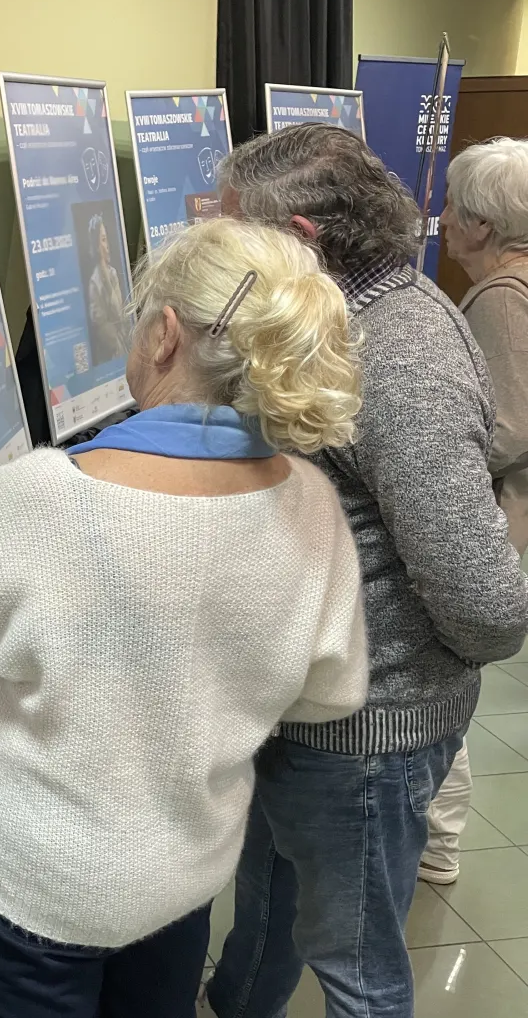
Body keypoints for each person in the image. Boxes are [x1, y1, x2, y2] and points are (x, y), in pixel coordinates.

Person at [0, 216, 370, 1018]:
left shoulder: (49, 494)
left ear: (166, 335)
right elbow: (331, 691)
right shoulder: (310, 504)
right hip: (182, 874)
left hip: (39, 885)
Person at [207, 124, 528, 1018]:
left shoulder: (397, 350)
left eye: (235, 232)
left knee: (356, 971)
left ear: (301, 238)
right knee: (267, 911)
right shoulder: (334, 319)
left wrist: (403, 675)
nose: (224, 256)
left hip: (366, 732)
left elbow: (486, 601)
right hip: (308, 708)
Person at [415, 137, 528, 886]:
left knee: (442, 677)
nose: (443, 218)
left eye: (454, 206)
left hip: (497, 516)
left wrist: (423, 453)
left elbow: (509, 427)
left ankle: (438, 840)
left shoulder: (502, 298)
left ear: (484, 225)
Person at [85, 213, 131, 365]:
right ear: (97, 246)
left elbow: (121, 311)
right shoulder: (94, 283)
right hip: (111, 356)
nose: (107, 245)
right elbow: (101, 326)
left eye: (107, 239)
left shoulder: (113, 273)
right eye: (103, 240)